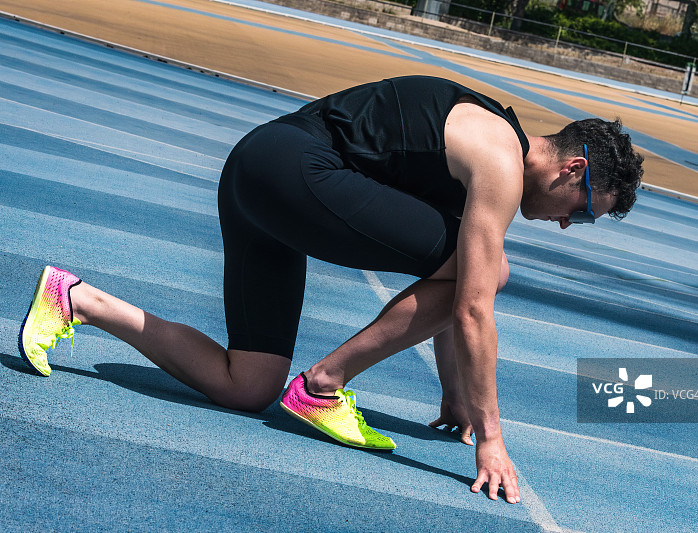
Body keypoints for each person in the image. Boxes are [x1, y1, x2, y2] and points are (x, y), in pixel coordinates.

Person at [18, 75, 643, 504]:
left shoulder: (490, 149)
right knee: (491, 270)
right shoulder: (500, 162)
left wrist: (456, 398)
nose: (567, 223)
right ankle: (324, 385)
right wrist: (492, 440)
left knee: (248, 386)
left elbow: (456, 297)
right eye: (582, 212)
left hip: (258, 175)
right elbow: (474, 305)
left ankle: (77, 299)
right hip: (290, 169)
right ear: (572, 169)